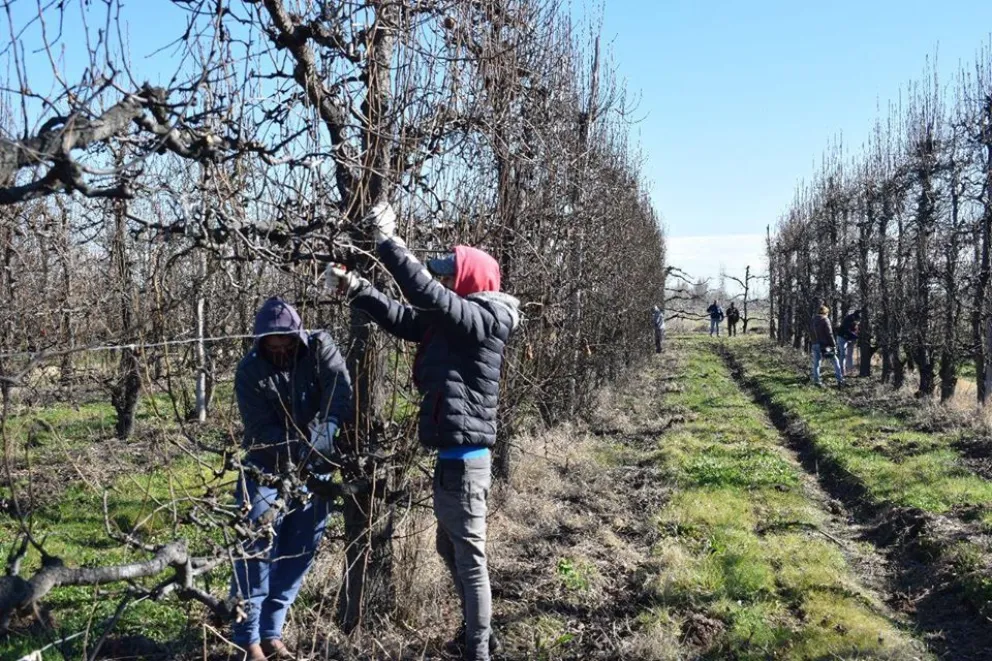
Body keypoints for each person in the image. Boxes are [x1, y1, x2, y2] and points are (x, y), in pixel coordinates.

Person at [327, 201, 520, 661]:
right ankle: (480, 635)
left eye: (453, 276)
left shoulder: (481, 321)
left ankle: (478, 650)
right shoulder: (455, 323)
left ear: (471, 281)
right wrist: (358, 289)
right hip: (454, 460)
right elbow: (405, 318)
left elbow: (428, 297)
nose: (445, 282)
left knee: (469, 560)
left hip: (465, 463)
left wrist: (389, 243)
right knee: (451, 549)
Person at [231, 297, 354, 661]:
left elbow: (339, 385)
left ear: (298, 337)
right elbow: (260, 429)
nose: (281, 352)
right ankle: (247, 639)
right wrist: (303, 446)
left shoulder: (319, 347)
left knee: (301, 550)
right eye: (273, 346)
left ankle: (272, 632)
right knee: (256, 548)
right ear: (261, 343)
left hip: (316, 470)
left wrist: (330, 423)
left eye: (287, 344)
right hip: (266, 468)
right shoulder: (249, 371)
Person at [810, 305, 844, 388]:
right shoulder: (825, 320)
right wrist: (834, 345)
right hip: (825, 345)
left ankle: (817, 381)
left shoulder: (813, 320)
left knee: (817, 363)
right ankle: (840, 380)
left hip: (815, 343)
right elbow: (829, 334)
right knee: (835, 361)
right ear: (825, 312)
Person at [838, 309, 861, 376]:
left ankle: (850, 370)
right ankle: (841, 371)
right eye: (858, 319)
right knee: (843, 354)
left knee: (849, 354)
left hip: (850, 338)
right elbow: (847, 330)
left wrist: (856, 335)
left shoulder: (855, 320)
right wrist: (855, 336)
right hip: (842, 337)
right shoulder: (848, 319)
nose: (858, 321)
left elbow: (855, 330)